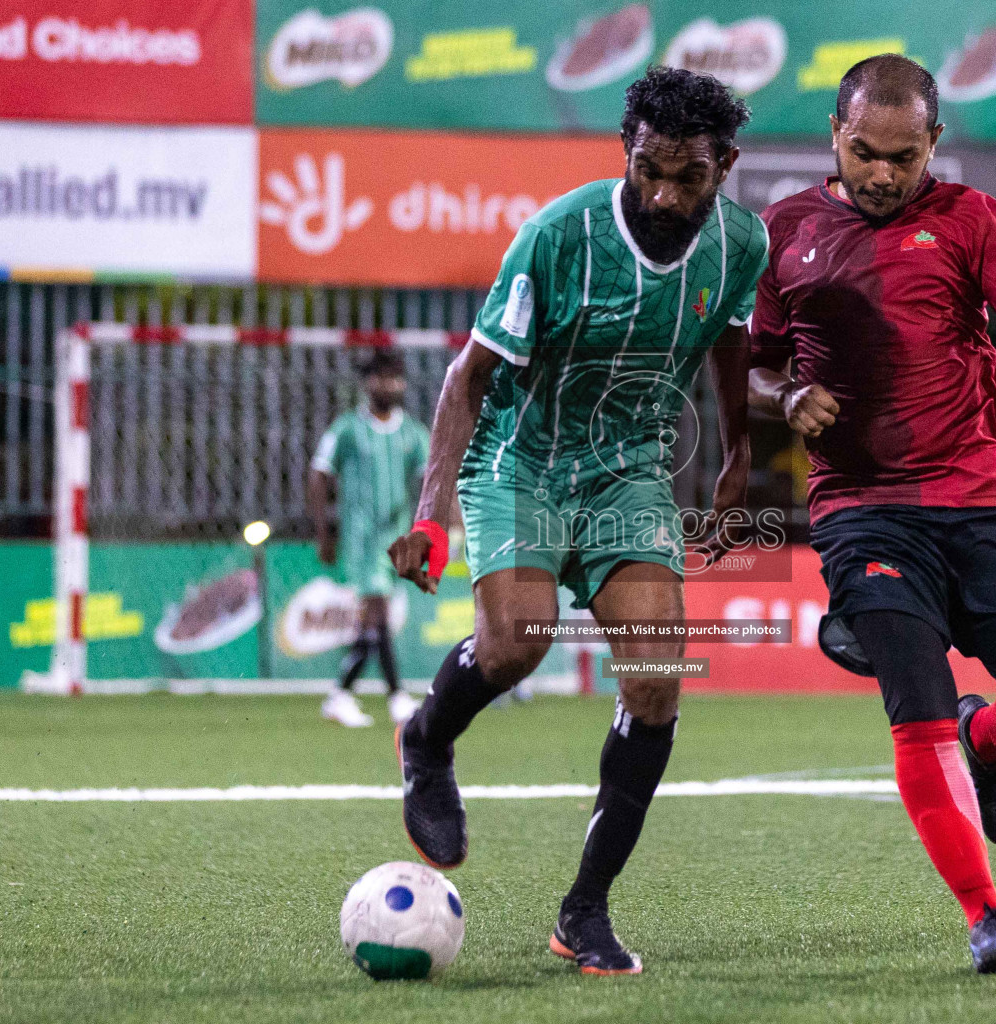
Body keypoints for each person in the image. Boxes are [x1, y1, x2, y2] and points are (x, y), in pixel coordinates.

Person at [747, 55, 996, 974]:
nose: (883, 174)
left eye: (903, 155)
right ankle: (986, 913)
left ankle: (989, 738)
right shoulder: (783, 233)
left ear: (935, 143)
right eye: (863, 152)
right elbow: (753, 362)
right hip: (862, 509)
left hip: (982, 496)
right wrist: (784, 396)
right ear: (834, 134)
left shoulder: (978, 223)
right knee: (914, 707)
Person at [388, 67, 767, 976]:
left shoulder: (741, 244)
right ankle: (427, 739)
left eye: (690, 176)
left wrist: (737, 454)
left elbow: (729, 341)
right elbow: (467, 379)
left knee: (656, 683)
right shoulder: (559, 236)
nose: (665, 194)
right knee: (517, 645)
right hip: (521, 463)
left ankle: (584, 912)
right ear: (625, 152)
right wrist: (430, 516)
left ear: (727, 166)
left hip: (632, 476)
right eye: (648, 169)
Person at [308, 348, 430, 728]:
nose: (389, 385)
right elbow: (319, 474)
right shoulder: (347, 428)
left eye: (395, 377)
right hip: (362, 539)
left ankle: (341, 694)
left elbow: (432, 480)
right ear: (368, 383)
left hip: (397, 542)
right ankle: (396, 696)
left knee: (374, 621)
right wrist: (324, 531)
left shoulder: (413, 432)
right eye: (381, 377)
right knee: (377, 612)